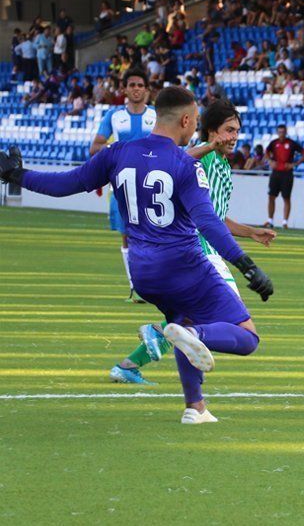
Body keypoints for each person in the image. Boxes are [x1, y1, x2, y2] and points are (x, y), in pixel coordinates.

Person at [0, 87, 274, 424]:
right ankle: (195, 339)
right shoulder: (187, 165)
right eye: (196, 121)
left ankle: (196, 407)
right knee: (246, 336)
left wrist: (17, 174)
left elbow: (65, 184)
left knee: (183, 321)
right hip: (184, 266)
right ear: (187, 120)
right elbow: (208, 221)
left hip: (143, 273)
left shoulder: (118, 153)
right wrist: (246, 265)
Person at [109, 100, 277, 385]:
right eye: (229, 130)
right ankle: (161, 338)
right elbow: (181, 160)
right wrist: (208, 147)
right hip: (198, 251)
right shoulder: (205, 159)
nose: (234, 136)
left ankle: (128, 366)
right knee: (230, 322)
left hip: (207, 250)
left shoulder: (221, 165)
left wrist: (251, 232)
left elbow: (215, 217)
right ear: (211, 131)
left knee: (190, 320)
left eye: (237, 130)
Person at [90, 69, 157, 304]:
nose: (136, 88)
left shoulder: (157, 116)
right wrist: (117, 152)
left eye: (140, 84)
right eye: (132, 84)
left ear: (148, 89)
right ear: (125, 89)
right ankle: (135, 287)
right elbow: (95, 147)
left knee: (154, 234)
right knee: (127, 236)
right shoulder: (114, 116)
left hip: (152, 185)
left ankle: (154, 285)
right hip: (122, 186)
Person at [264, 124, 302, 229]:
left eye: (283, 132)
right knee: (271, 196)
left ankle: (285, 222)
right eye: (280, 132)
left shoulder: (291, 143)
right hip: (275, 173)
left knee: (286, 198)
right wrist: (270, 161)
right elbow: (266, 152)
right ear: (277, 133)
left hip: (287, 174)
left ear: (286, 132)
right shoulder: (274, 143)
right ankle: (270, 220)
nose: (281, 134)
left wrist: (294, 164)